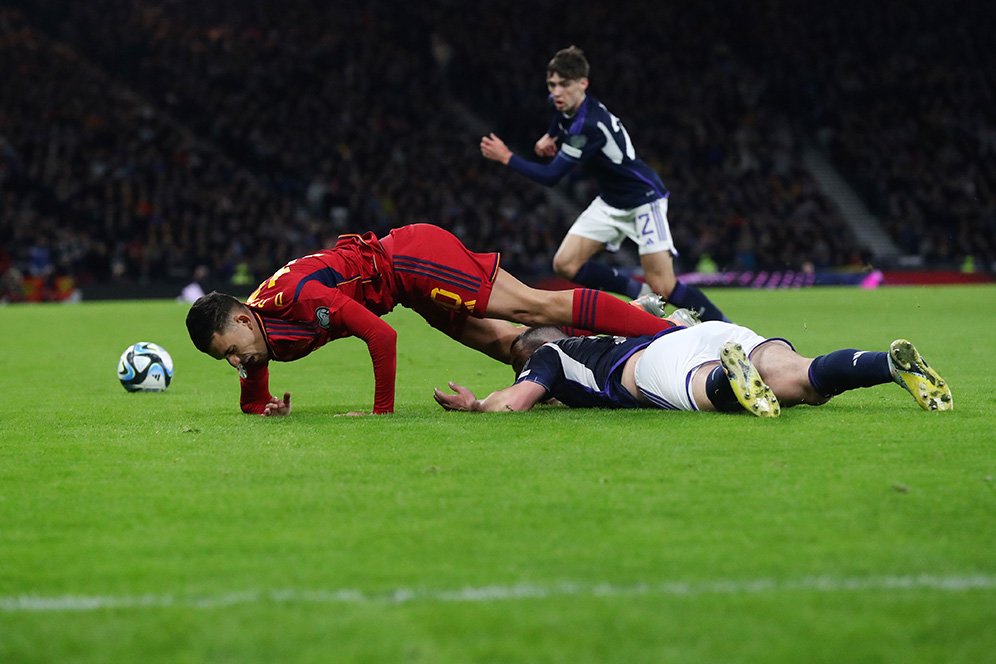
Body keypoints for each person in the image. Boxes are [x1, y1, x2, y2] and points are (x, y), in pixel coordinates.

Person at [185, 223, 682, 416]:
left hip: (414, 259)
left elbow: (380, 335)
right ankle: (621, 333)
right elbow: (254, 397)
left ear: (245, 320)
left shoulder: (298, 297)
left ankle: (671, 331)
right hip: (405, 289)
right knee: (508, 346)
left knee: (534, 305)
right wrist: (268, 408)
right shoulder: (255, 332)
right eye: (223, 359)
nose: (236, 363)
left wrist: (381, 415)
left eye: (230, 350)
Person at [480, 46, 729, 322]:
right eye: (552, 85)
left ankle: (728, 329)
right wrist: (549, 136)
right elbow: (559, 118)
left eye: (564, 85)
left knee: (665, 287)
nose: (556, 92)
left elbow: (551, 177)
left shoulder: (589, 126)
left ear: (583, 84)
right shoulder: (565, 106)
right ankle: (636, 290)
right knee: (565, 264)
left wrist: (507, 157)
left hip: (643, 200)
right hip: (611, 201)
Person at [433, 321, 953, 417]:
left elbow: (518, 400)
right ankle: (887, 365)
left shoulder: (546, 357)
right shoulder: (594, 340)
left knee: (699, 389)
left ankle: (730, 382)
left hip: (655, 364)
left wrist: (479, 404)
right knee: (800, 374)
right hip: (700, 333)